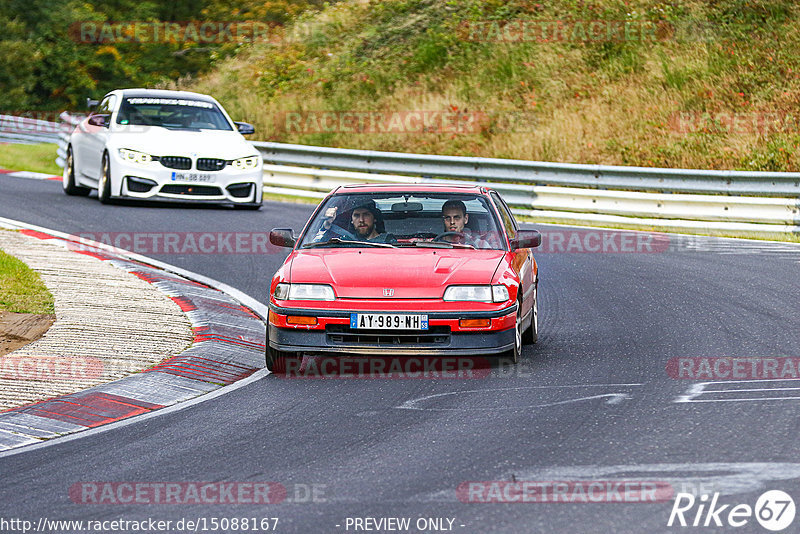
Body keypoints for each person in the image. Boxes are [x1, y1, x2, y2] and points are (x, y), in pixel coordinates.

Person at [311, 198, 395, 244]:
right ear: (351, 220)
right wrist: (326, 225)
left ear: (374, 218)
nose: (361, 220)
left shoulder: (388, 242)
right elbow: (314, 247)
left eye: (366, 215)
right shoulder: (344, 241)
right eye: (357, 215)